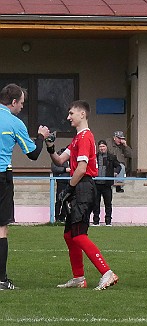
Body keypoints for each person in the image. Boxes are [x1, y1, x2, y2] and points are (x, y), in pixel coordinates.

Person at [47, 100, 118, 290]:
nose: (68, 117)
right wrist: (50, 146)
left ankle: (107, 273)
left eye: (71, 113)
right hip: (78, 186)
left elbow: (82, 168)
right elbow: (60, 160)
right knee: (69, 235)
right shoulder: (78, 138)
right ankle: (79, 278)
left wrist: (68, 189)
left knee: (78, 235)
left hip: (84, 187)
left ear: (82, 115)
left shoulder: (86, 137)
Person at [0, 84, 51, 290]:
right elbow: (33, 154)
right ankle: (1, 280)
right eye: (21, 103)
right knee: (1, 228)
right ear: (13, 102)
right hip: (2, 176)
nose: (22, 107)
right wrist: (41, 136)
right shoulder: (14, 122)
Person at [92, 139, 121, 226]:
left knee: (108, 203)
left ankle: (108, 221)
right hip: (96, 184)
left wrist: (116, 172)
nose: (102, 148)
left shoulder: (112, 157)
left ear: (106, 147)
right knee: (95, 203)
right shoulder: (94, 157)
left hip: (107, 184)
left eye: (103, 146)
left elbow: (118, 166)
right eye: (100, 146)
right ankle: (96, 221)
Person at [51, 145, 71, 223]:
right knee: (59, 199)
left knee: (67, 200)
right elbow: (54, 168)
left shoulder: (74, 158)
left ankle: (63, 217)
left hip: (70, 182)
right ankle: (56, 217)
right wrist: (65, 170)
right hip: (61, 181)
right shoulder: (60, 156)